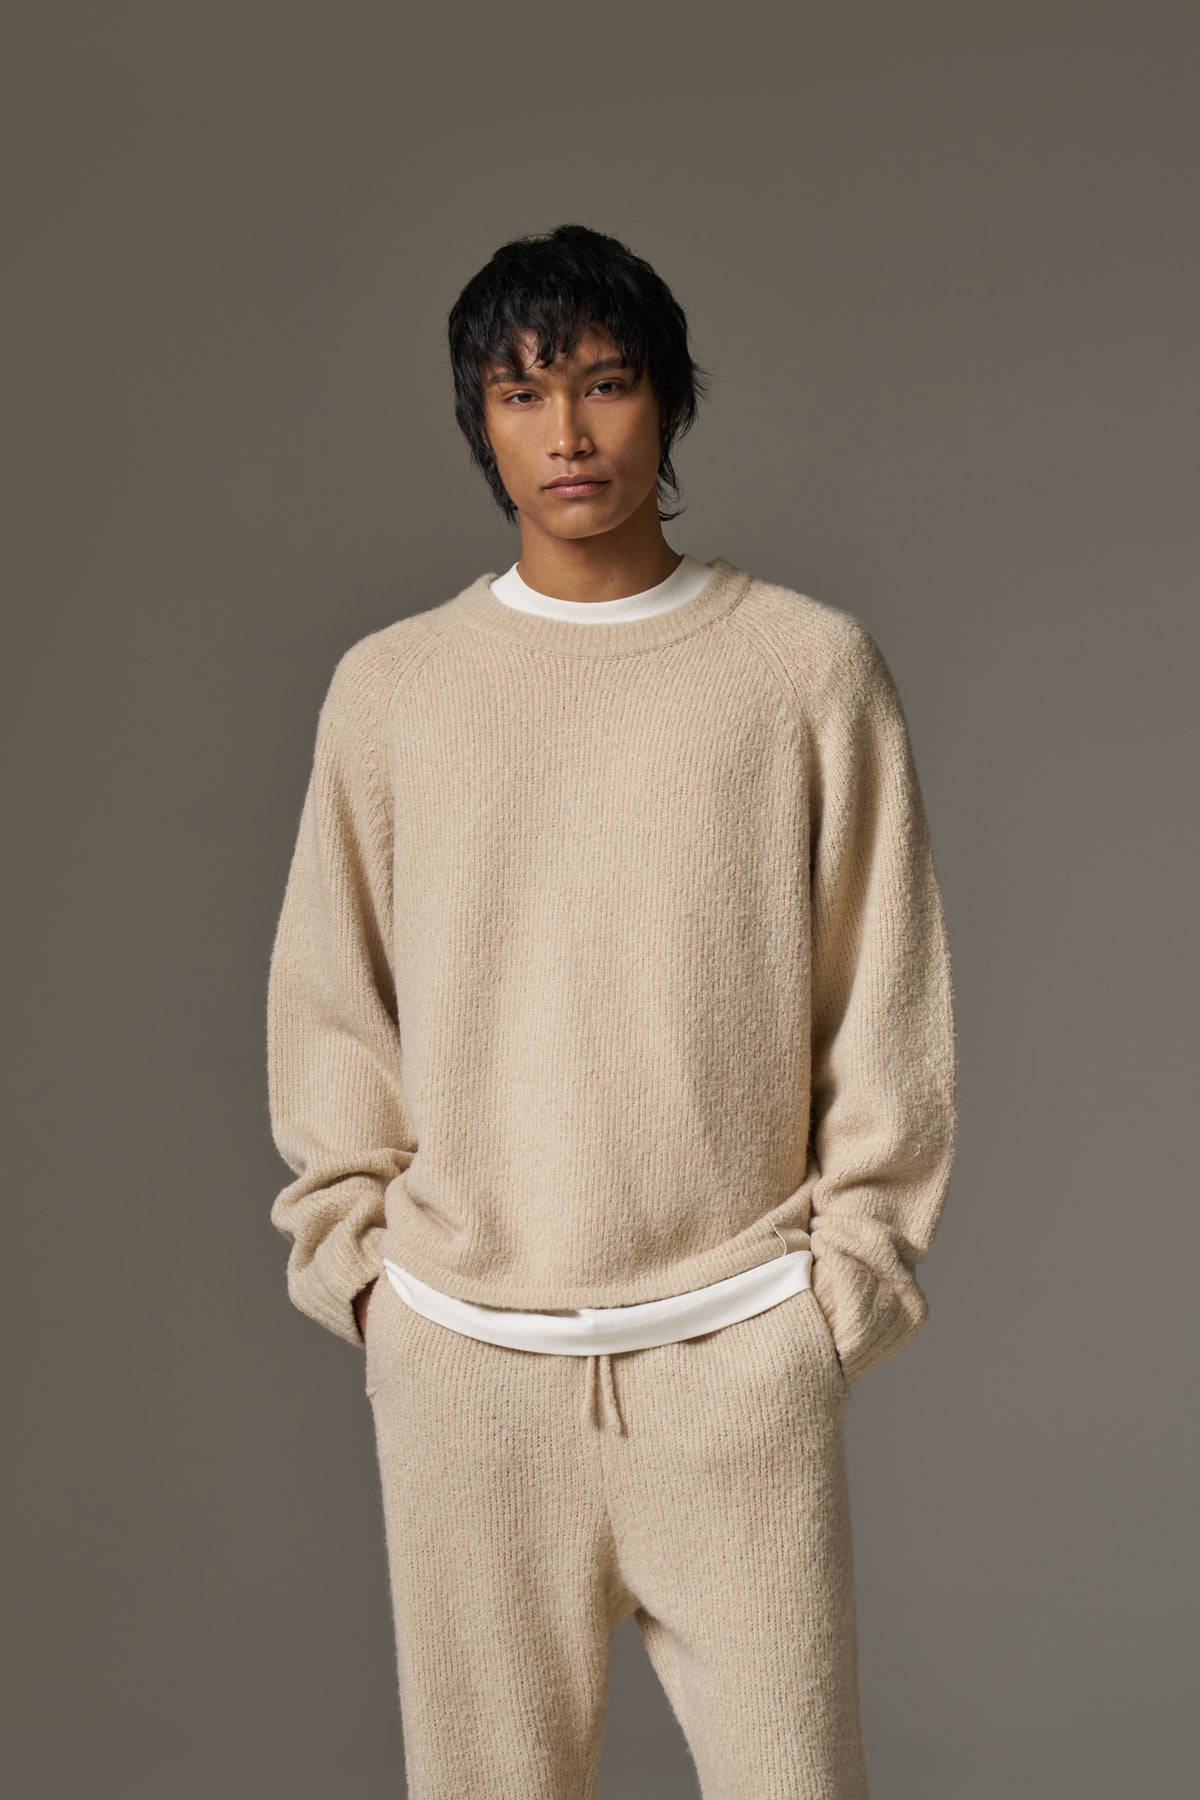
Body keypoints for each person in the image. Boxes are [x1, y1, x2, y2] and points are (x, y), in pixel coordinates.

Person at [266, 221, 957, 1799]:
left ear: (670, 400)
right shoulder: (396, 689)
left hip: (742, 1361)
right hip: (467, 1377)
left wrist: (841, 1297)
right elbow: (328, 1001)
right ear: (480, 423)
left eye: (606, 381)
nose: (568, 431)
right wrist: (367, 1284)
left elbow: (887, 1001)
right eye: (522, 393)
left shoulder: (806, 670)